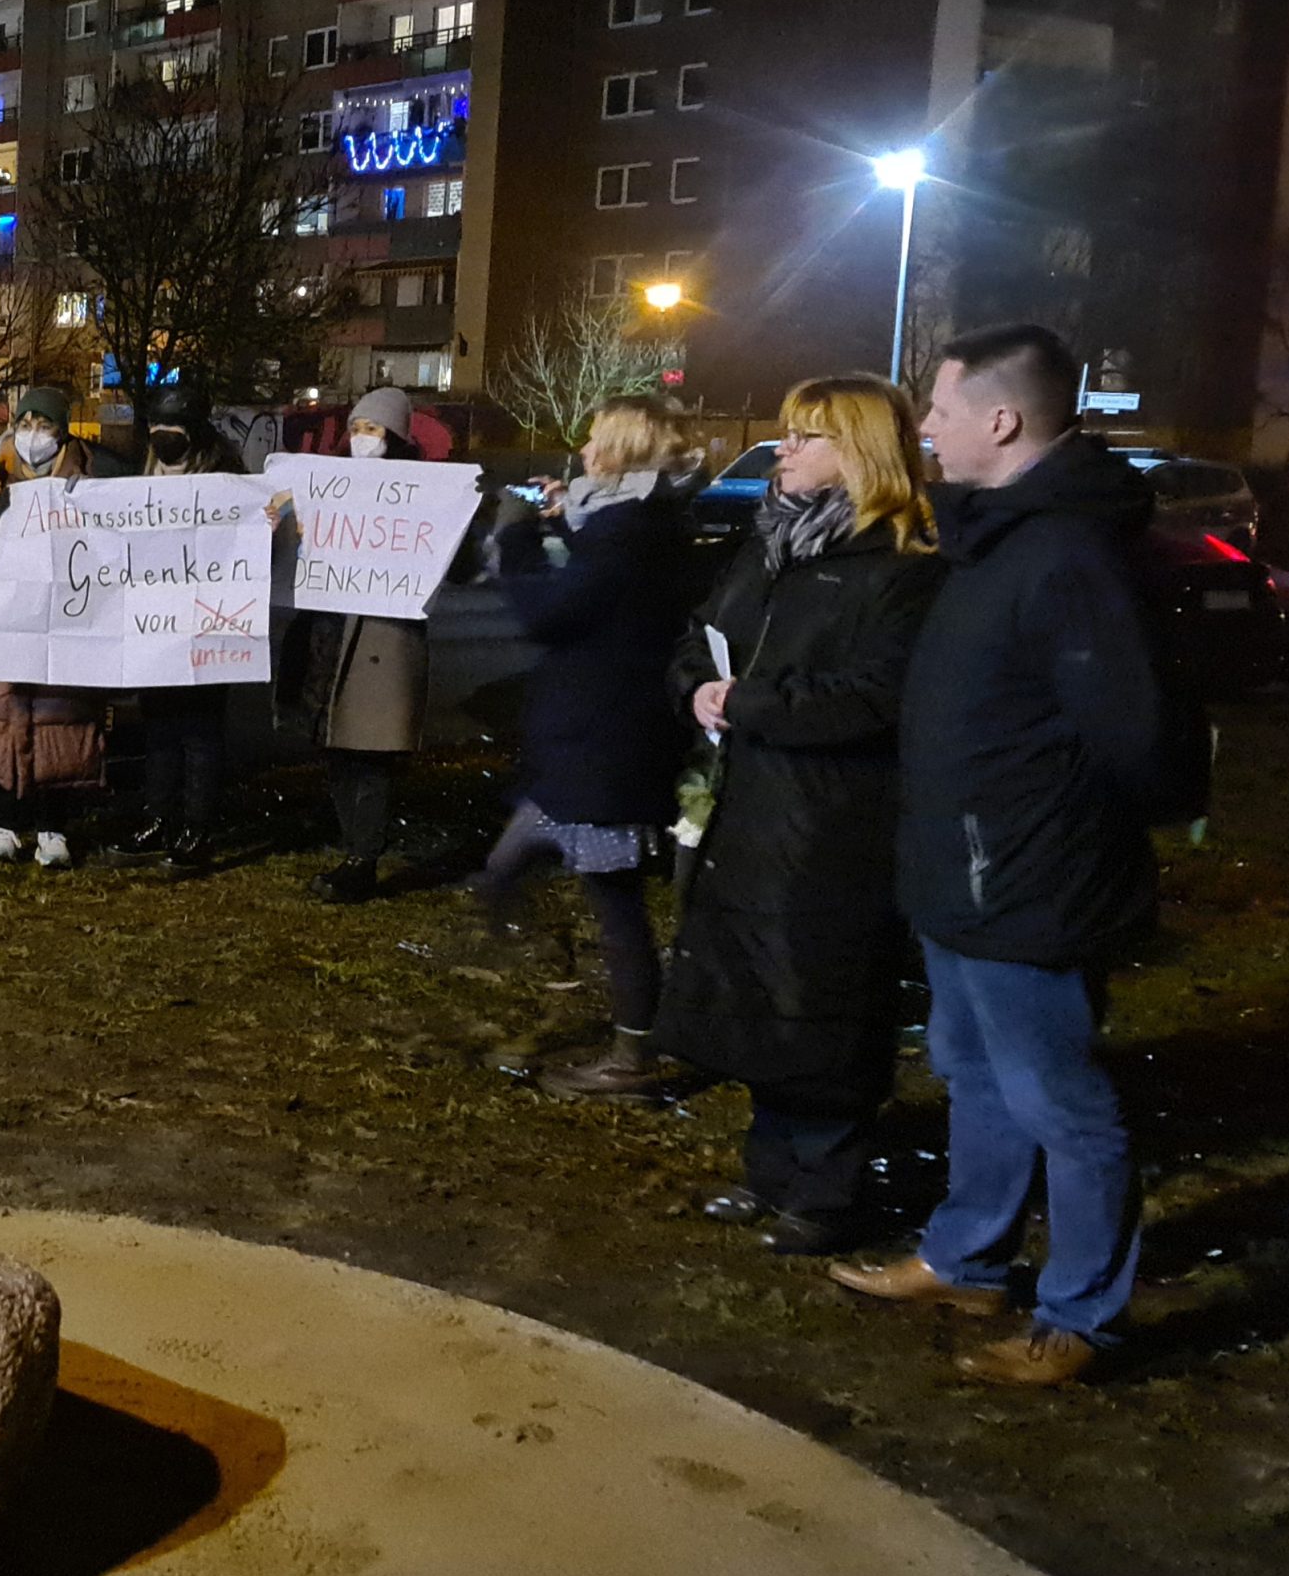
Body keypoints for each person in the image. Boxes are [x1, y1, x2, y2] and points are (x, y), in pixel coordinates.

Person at [831, 324, 1167, 1389]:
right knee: (972, 1075)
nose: (922, 426)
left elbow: (1134, 738)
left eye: (937, 409)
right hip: (960, 872)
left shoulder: (1067, 553)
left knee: (1061, 1103)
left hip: (1028, 883)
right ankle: (966, 1257)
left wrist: (1047, 844)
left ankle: (1079, 1317)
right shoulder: (997, 540)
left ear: (1003, 419)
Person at [651, 377, 944, 1252]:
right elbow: (695, 637)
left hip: (834, 822)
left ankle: (825, 1190)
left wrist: (750, 704)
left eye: (804, 437)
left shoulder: (901, 568)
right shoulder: (765, 550)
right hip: (742, 809)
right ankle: (770, 1170)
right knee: (753, 994)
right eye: (785, 434)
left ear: (859, 452)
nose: (783, 450)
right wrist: (693, 690)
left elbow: (875, 696)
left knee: (821, 1001)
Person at [475, 396, 702, 1095]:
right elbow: (601, 580)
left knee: (614, 900)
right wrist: (567, 526)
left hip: (604, 751)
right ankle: (532, 969)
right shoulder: (638, 523)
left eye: (596, 440)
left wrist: (515, 541)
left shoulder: (633, 530)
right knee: (506, 868)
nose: (583, 451)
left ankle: (632, 1052)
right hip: (583, 747)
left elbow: (551, 611)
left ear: (622, 452)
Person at [282, 387, 433, 904]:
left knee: (369, 753)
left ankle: (362, 858)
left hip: (381, 641)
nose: (362, 439)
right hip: (330, 629)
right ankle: (353, 846)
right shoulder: (330, 483)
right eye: (356, 429)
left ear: (395, 435)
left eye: (373, 430)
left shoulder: (422, 491)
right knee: (337, 748)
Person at [104, 382, 244, 877]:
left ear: (195, 432)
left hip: (209, 623)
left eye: (173, 430)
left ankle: (197, 827)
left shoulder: (227, 481)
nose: (163, 438)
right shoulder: (140, 479)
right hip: (155, 623)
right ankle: (158, 818)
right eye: (156, 430)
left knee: (200, 732)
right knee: (159, 727)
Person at [0, 384, 101, 868]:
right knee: (0, 719)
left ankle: (53, 827)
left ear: (62, 432)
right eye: (24, 424)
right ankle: (1, 825)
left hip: (64, 621)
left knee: (57, 721)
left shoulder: (90, 483)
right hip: (1, 619)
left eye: (43, 426)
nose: (32, 435)